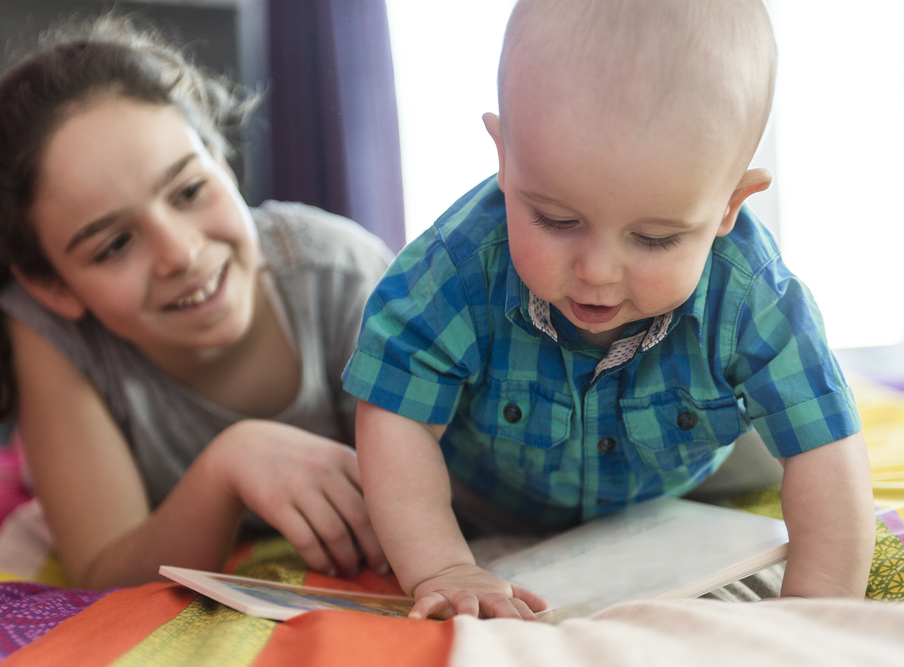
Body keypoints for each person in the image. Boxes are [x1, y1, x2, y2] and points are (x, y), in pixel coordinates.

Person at [342, 0, 875, 620]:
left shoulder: (756, 297)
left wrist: (816, 619)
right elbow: (394, 419)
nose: (597, 271)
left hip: (679, 477)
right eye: (557, 220)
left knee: (784, 456)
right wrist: (444, 565)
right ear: (505, 159)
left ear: (730, 206)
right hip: (488, 496)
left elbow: (825, 452)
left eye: (654, 239)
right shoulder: (454, 270)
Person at [0, 16, 393, 589]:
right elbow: (102, 571)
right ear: (53, 286)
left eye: (188, 190)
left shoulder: (338, 276)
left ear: (219, 157)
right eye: (114, 245)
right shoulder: (48, 331)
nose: (180, 254)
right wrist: (228, 463)